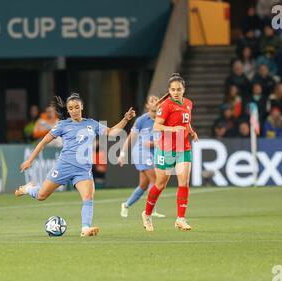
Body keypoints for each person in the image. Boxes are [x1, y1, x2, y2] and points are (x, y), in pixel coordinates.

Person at [15, 93, 136, 237]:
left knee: (88, 197)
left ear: (82, 107)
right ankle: (29, 189)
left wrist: (125, 119)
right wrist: (30, 160)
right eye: (70, 108)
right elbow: (44, 141)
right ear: (68, 109)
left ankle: (85, 228)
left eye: (76, 107)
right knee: (41, 195)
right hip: (64, 166)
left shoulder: (91, 124)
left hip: (83, 170)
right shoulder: (63, 125)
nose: (74, 110)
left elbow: (111, 133)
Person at [141, 73, 198, 232]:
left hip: (183, 148)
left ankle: (180, 219)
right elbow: (156, 127)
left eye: (178, 89)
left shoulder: (188, 103)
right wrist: (173, 129)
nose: (176, 92)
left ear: (184, 89)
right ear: (169, 90)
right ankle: (147, 214)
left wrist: (191, 131)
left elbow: (186, 122)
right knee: (161, 184)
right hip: (166, 150)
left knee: (184, 182)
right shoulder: (166, 105)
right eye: (173, 89)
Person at [118, 95, 165, 219]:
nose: (155, 102)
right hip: (141, 152)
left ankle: (126, 205)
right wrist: (123, 153)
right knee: (155, 180)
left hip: (151, 152)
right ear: (147, 106)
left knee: (144, 185)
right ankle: (152, 211)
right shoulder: (142, 120)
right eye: (152, 101)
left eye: (157, 100)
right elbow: (131, 137)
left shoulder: (162, 120)